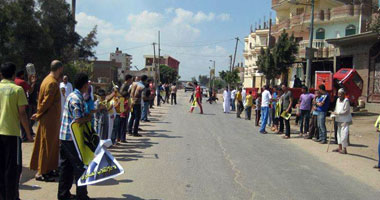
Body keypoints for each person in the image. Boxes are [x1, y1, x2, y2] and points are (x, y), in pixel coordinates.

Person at [58, 73, 97, 200]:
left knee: (66, 167)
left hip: (66, 136)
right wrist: (89, 117)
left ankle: (63, 194)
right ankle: (82, 195)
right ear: (85, 85)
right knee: (80, 166)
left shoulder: (74, 95)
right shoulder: (76, 98)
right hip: (71, 138)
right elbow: (78, 119)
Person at [0, 62, 33, 200]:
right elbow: (22, 114)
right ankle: (11, 196)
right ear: (13, 75)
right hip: (12, 134)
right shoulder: (17, 90)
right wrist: (29, 134)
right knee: (12, 168)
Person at [30, 60, 63, 182]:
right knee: (46, 146)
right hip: (49, 119)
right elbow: (46, 102)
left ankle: (48, 169)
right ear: (59, 69)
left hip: (50, 119)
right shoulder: (52, 83)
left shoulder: (47, 80)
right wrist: (38, 113)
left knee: (51, 145)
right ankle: (42, 171)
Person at [332, 88, 352, 154]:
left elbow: (346, 111)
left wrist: (338, 113)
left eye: (341, 94)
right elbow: (336, 108)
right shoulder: (337, 100)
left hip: (345, 121)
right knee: (339, 135)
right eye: (339, 94)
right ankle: (339, 147)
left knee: (344, 135)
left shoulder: (346, 101)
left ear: (344, 94)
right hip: (338, 120)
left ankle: (344, 149)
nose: (339, 95)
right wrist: (333, 114)